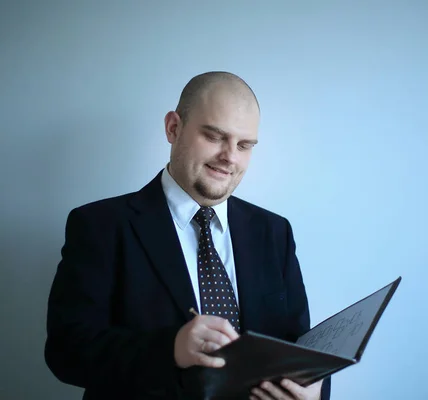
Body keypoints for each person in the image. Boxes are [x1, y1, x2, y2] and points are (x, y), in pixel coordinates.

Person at [45, 71, 331, 400]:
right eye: (214, 136)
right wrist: (171, 349)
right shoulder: (100, 226)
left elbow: (300, 347)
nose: (231, 157)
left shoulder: (274, 231)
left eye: (244, 145)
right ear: (173, 128)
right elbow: (66, 353)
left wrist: (314, 390)